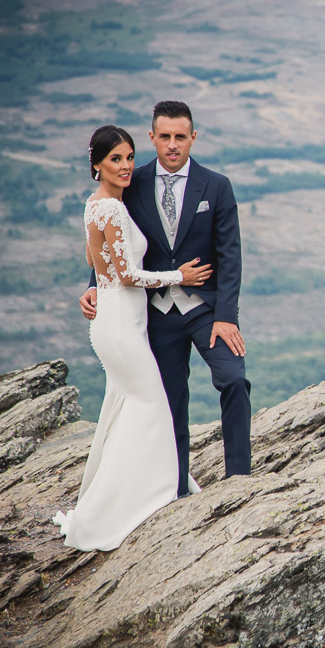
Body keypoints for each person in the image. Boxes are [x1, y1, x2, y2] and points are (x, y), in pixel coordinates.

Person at [79, 101, 251, 498]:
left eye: (180, 136)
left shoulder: (217, 185)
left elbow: (231, 255)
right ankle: (174, 490)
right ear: (153, 137)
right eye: (165, 137)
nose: (172, 145)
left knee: (235, 379)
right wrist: (95, 283)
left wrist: (227, 316)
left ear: (193, 137)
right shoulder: (130, 182)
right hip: (154, 313)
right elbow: (110, 242)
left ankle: (239, 482)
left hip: (206, 310)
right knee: (169, 403)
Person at [55, 125, 212, 550]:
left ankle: (123, 496)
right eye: (115, 160)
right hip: (122, 324)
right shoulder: (110, 210)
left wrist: (95, 285)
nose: (126, 166)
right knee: (152, 405)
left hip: (114, 319)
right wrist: (180, 276)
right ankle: (140, 500)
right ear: (96, 166)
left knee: (126, 406)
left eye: (128, 157)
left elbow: (95, 260)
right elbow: (125, 274)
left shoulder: (96, 205)